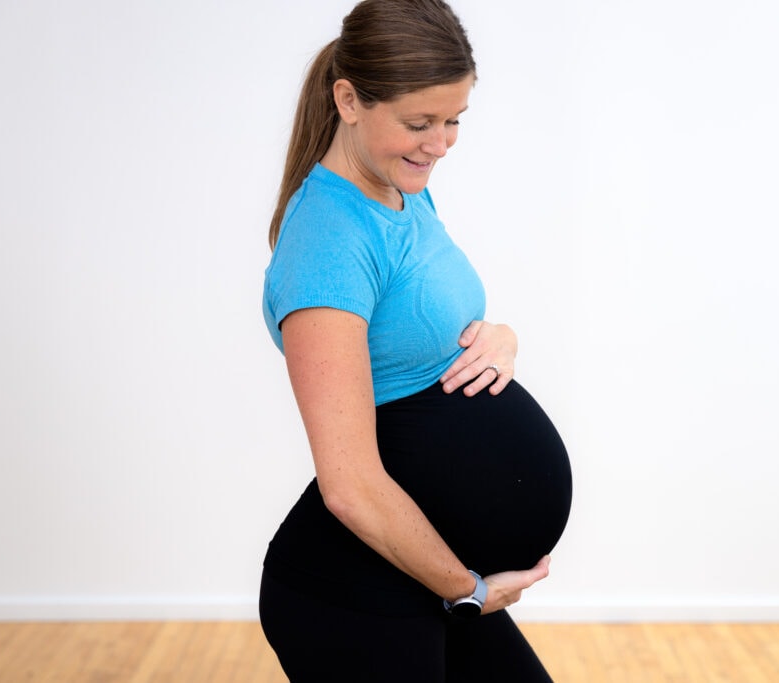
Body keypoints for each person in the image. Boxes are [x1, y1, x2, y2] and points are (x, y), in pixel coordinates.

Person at [259, 1, 573, 680]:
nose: (440, 143)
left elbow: (422, 330)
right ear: (348, 100)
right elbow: (350, 485)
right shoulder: (326, 242)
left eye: (454, 119)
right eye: (419, 122)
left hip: (412, 575)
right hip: (352, 595)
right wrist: (468, 589)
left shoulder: (403, 192)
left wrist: (503, 338)